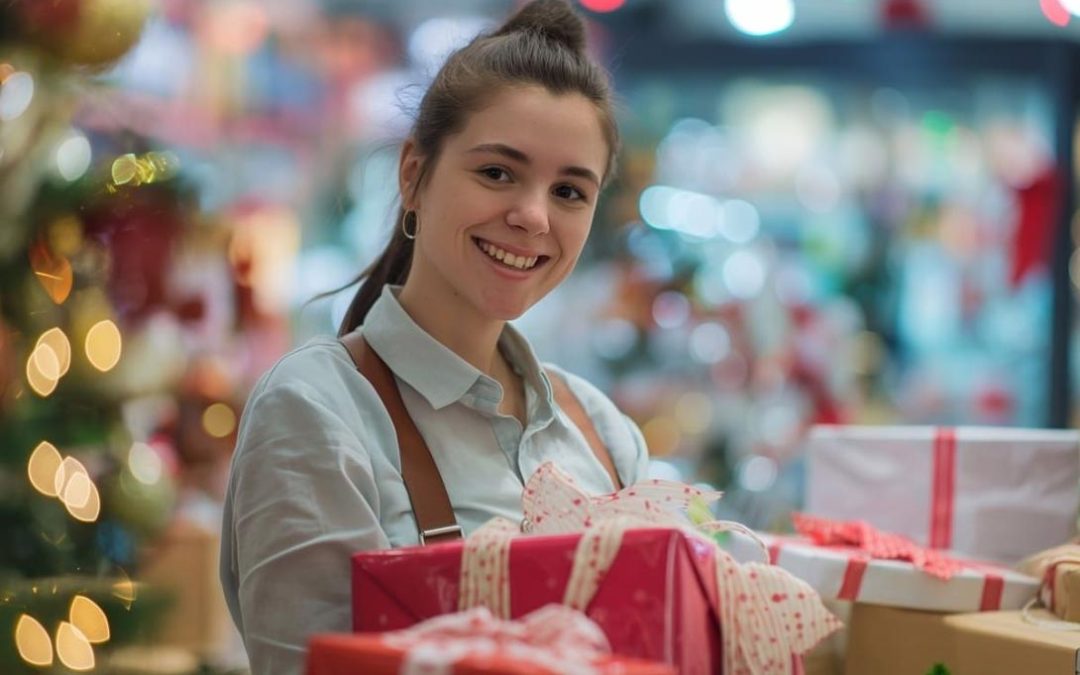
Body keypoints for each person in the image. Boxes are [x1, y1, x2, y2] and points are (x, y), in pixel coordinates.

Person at [219, 1, 649, 672]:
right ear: (413, 174)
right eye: (497, 173)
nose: (533, 216)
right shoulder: (316, 411)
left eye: (569, 191)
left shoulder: (604, 430)